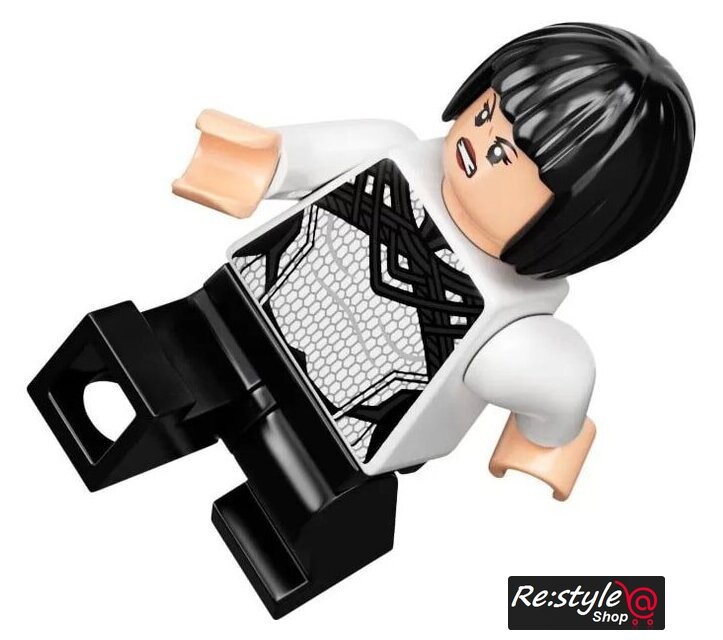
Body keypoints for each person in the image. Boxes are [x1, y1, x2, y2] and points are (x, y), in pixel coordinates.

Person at [173, 22, 695, 500]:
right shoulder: (390, 149)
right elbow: (294, 155)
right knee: (168, 364)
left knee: (291, 507)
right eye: (487, 115)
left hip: (331, 452)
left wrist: (550, 438)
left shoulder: (515, 325)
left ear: (576, 219)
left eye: (506, 156)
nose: (480, 144)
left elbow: (564, 380)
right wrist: (260, 161)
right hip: (224, 322)